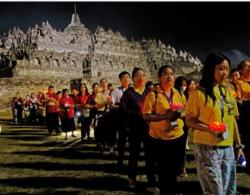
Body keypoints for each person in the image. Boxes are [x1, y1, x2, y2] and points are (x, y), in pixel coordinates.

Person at [185, 52, 244, 194]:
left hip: (227, 148)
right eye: (221, 68)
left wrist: (238, 145)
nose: (225, 72)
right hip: (207, 148)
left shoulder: (227, 92)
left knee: (230, 188)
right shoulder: (199, 93)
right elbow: (189, 120)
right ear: (211, 69)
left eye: (227, 68)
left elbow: (232, 119)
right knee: (215, 190)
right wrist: (209, 129)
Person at [143, 65, 185, 195]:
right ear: (159, 77)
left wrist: (179, 113)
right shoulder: (153, 95)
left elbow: (185, 110)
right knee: (164, 171)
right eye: (166, 74)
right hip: (160, 139)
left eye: (172, 74)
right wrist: (166, 116)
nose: (169, 77)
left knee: (174, 170)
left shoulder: (178, 93)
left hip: (177, 136)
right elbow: (146, 116)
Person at [120, 67, 157, 192]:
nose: (140, 78)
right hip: (134, 127)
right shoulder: (128, 93)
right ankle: (132, 178)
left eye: (143, 75)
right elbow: (123, 110)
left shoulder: (149, 93)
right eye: (137, 75)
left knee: (150, 156)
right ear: (133, 78)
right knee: (134, 154)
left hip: (148, 128)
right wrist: (138, 113)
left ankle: (152, 183)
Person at [110, 71, 131, 168]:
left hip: (131, 118)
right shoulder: (116, 91)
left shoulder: (133, 90)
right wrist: (120, 107)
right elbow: (111, 105)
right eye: (124, 78)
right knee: (121, 140)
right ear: (120, 80)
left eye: (128, 77)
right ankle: (120, 161)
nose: (126, 79)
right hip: (121, 118)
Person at [236, 59, 250, 174]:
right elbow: (239, 101)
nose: (249, 68)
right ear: (240, 70)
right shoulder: (238, 83)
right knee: (247, 140)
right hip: (246, 116)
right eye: (246, 66)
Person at [174, 76, 188, 177]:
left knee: (182, 148)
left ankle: (182, 168)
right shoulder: (175, 93)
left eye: (184, 85)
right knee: (176, 147)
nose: (183, 87)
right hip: (175, 124)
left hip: (183, 124)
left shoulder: (183, 94)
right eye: (181, 85)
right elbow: (176, 111)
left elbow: (185, 109)